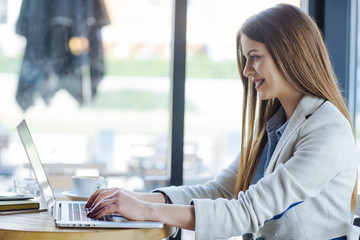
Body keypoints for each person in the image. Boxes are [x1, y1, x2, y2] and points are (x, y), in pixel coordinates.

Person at [85, 4, 359, 239]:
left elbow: (248, 210)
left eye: (255, 57)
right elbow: (219, 191)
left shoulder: (327, 129)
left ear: (290, 54)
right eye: (245, 58)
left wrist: (146, 211)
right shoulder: (277, 127)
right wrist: (130, 199)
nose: (246, 70)